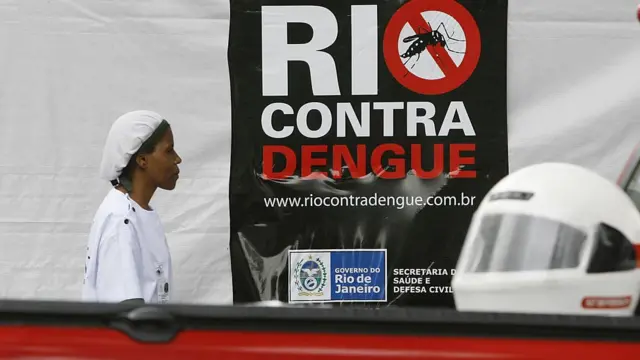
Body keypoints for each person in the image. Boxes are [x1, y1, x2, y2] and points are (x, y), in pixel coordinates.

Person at [82, 110, 182, 304]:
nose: (178, 159)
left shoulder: (138, 212)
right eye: (169, 151)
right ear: (142, 160)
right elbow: (127, 312)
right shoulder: (121, 219)